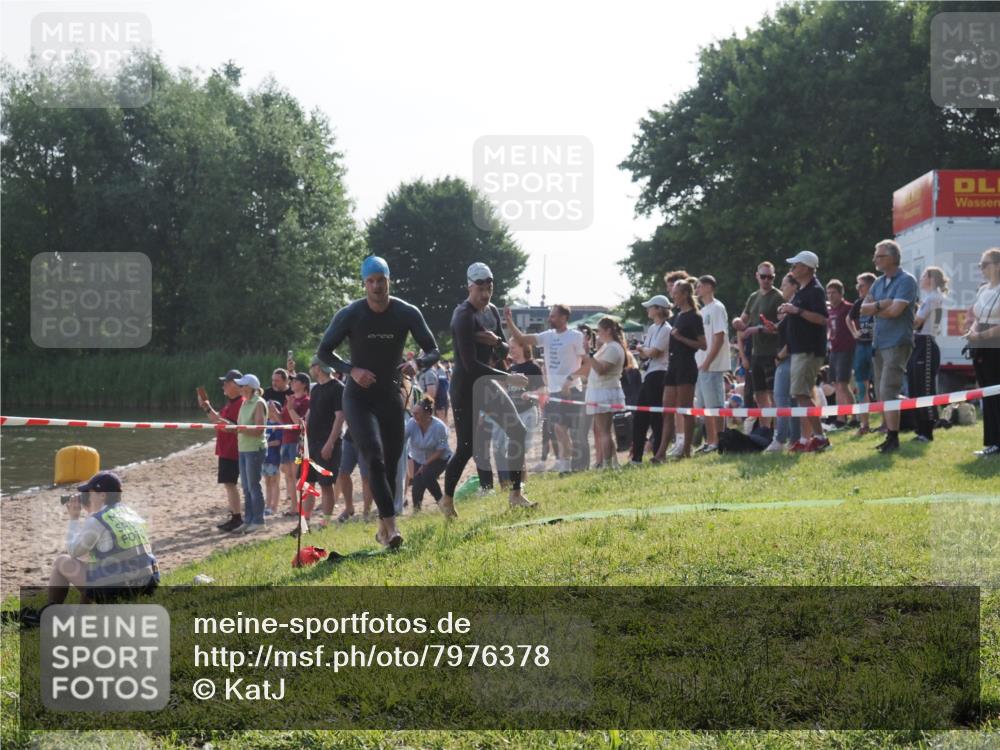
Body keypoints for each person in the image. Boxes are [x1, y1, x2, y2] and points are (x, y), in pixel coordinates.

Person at [316, 255, 439, 549]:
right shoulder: (351, 314)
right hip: (358, 398)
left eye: (380, 280)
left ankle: (383, 529)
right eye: (370, 281)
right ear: (364, 284)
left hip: (391, 396)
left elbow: (432, 349)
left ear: (388, 281)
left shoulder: (406, 312)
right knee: (373, 456)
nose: (376, 286)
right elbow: (324, 352)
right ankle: (392, 529)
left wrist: (418, 364)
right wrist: (351, 370)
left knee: (391, 463)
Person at [441, 262, 534, 517]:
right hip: (465, 387)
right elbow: (470, 366)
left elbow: (503, 350)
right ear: (470, 287)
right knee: (466, 448)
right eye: (480, 289)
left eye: (489, 288)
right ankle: (446, 500)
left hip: (487, 384)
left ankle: (516, 494)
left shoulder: (491, 311)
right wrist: (508, 378)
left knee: (517, 430)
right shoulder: (463, 315)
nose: (485, 294)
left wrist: (494, 341)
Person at [41, 472, 158, 614]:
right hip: (148, 585)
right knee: (92, 564)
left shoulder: (98, 520)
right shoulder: (130, 513)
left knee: (62, 561)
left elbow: (73, 551)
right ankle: (82, 613)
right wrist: (91, 511)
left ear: (102, 495)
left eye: (90, 493)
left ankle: (49, 612)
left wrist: (74, 518)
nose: (87, 497)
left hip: (119, 591)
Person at [505, 303, 587, 476]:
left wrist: (569, 380)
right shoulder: (547, 336)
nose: (550, 318)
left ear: (564, 317)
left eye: (553, 315)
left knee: (575, 432)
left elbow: (587, 364)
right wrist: (509, 320)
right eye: (550, 315)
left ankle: (579, 466)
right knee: (558, 429)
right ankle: (565, 467)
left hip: (572, 390)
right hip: (554, 392)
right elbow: (522, 338)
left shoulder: (576, 336)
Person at [860, 239, 919, 454]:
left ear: (892, 258)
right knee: (881, 392)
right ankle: (889, 434)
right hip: (879, 344)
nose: (875, 259)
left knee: (888, 390)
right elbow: (863, 309)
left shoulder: (907, 281)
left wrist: (876, 308)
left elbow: (895, 312)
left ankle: (894, 437)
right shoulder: (877, 283)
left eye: (880, 256)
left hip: (897, 342)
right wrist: (882, 304)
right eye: (875, 255)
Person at [779, 251, 830, 453]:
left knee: (801, 393)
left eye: (796, 265)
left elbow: (822, 319)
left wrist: (797, 310)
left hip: (809, 350)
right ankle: (806, 437)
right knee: (802, 394)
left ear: (807, 268)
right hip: (799, 349)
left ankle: (820, 437)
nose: (792, 268)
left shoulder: (815, 290)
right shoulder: (802, 290)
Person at [652, 279, 706, 461]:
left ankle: (686, 451)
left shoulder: (695, 317)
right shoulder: (676, 317)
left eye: (675, 293)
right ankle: (661, 453)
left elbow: (703, 344)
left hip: (686, 366)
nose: (673, 296)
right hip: (673, 366)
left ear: (685, 294)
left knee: (685, 410)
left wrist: (681, 338)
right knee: (667, 410)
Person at [734, 262, 783, 427]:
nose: (767, 280)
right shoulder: (753, 297)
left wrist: (756, 329)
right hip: (756, 353)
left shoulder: (778, 297)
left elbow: (780, 327)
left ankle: (778, 430)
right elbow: (743, 320)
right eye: (763, 276)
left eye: (770, 277)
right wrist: (736, 322)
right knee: (760, 394)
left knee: (774, 394)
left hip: (772, 352)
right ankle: (765, 430)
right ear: (757, 276)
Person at [301, 356, 345, 530]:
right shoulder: (316, 389)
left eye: (312, 366)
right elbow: (311, 413)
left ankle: (325, 523)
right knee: (309, 484)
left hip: (326, 443)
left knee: (326, 485)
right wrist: (303, 437)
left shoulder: (338, 388)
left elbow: (340, 417)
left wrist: (330, 443)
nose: (310, 370)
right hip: (312, 443)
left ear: (318, 367)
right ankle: (306, 521)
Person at [964, 247, 1000, 457]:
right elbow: (977, 317)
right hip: (982, 347)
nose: (981, 268)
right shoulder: (983, 290)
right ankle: (992, 441)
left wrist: (980, 336)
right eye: (980, 265)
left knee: (996, 393)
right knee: (987, 393)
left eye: (985, 264)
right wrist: (973, 332)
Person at [583, 318, 632, 469]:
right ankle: (613, 463)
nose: (598, 334)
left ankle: (607, 464)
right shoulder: (608, 347)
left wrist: (588, 353)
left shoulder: (613, 348)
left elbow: (601, 369)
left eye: (599, 331)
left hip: (603, 391)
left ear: (608, 330)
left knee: (604, 431)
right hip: (602, 390)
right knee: (605, 431)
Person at [200, 369, 245, 532]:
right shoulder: (232, 403)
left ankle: (237, 517)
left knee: (230, 484)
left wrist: (209, 410)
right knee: (229, 484)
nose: (223, 386)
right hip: (227, 449)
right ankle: (235, 516)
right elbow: (219, 421)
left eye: (226, 383)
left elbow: (229, 426)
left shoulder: (240, 403)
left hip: (233, 450)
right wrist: (207, 408)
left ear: (235, 384)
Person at [908, 266, 948, 442]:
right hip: (920, 343)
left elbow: (917, 322)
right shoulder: (930, 298)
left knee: (924, 388)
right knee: (915, 387)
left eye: (924, 276)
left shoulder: (933, 298)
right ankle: (920, 429)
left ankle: (927, 430)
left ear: (931, 279)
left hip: (926, 344)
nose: (921, 279)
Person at [631, 295, 672, 464]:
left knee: (656, 417)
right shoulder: (652, 328)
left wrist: (643, 349)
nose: (648, 309)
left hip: (659, 374)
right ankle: (636, 457)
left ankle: (658, 454)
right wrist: (644, 350)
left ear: (658, 309)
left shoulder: (666, 329)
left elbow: (654, 352)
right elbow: (645, 353)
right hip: (649, 374)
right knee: (640, 416)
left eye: (650, 307)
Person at [764, 273, 802, 452]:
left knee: (781, 399)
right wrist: (775, 328)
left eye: (784, 284)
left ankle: (780, 439)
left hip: (787, 359)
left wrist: (779, 357)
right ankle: (794, 440)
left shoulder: (793, 309)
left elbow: (793, 338)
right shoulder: (792, 309)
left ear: (794, 286)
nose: (781, 288)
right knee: (793, 402)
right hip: (793, 359)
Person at [694, 275, 729, 454]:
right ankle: (710, 441)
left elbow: (719, 337)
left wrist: (708, 361)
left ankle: (719, 441)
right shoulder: (703, 310)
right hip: (701, 365)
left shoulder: (717, 307)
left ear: (709, 287)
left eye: (699, 286)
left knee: (715, 406)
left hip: (712, 365)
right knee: (705, 407)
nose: (697, 289)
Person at [272, 373, 311, 515]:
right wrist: (274, 412)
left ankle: (300, 507)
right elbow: (282, 421)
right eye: (292, 381)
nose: (292, 383)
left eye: (295, 381)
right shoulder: (291, 399)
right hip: (286, 441)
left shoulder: (306, 401)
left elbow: (300, 424)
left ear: (304, 384)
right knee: (288, 476)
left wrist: (290, 408)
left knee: (296, 475)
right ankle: (294, 507)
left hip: (297, 443)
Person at [405, 397, 453, 511]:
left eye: (417, 413)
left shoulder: (440, 427)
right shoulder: (412, 423)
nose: (414, 415)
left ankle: (442, 503)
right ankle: (417, 512)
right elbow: (402, 438)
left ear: (427, 414)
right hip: (418, 458)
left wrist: (425, 464)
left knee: (427, 475)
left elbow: (441, 449)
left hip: (439, 458)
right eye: (413, 413)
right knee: (416, 488)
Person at [234, 374, 267, 533]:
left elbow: (259, 430)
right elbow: (242, 426)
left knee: (253, 486)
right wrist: (236, 429)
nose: (239, 388)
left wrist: (239, 430)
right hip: (243, 448)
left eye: (242, 385)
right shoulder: (245, 402)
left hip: (254, 449)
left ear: (250, 387)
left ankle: (259, 521)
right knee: (246, 487)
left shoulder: (258, 403)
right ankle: (248, 520)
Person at [846, 272, 877, 436]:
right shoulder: (859, 303)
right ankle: (864, 425)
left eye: (861, 285)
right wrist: (854, 333)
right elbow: (848, 319)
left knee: (880, 386)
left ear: (871, 286)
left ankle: (886, 424)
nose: (858, 288)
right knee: (861, 387)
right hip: (861, 346)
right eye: (857, 285)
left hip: (876, 347)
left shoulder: (878, 302)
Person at [826, 279, 856, 424]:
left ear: (841, 294)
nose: (830, 296)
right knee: (836, 384)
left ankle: (854, 416)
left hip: (846, 349)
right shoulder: (829, 310)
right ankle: (841, 418)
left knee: (843, 384)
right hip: (834, 349)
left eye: (833, 293)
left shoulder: (848, 308)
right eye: (828, 293)